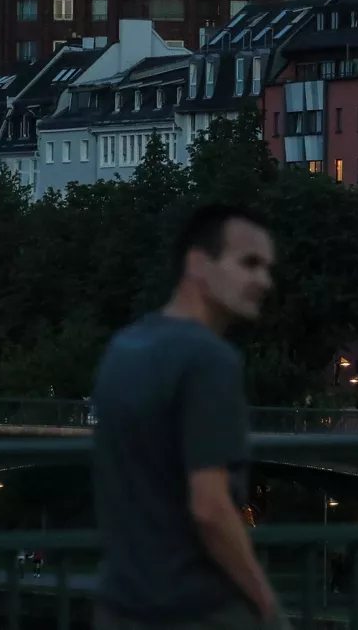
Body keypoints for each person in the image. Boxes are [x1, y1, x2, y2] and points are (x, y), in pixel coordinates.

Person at [92, 205, 284, 630]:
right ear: (198, 262)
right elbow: (210, 507)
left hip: (120, 604)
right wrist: (265, 602)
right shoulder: (209, 359)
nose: (264, 281)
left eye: (267, 268)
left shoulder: (124, 348)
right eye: (249, 263)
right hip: (193, 609)